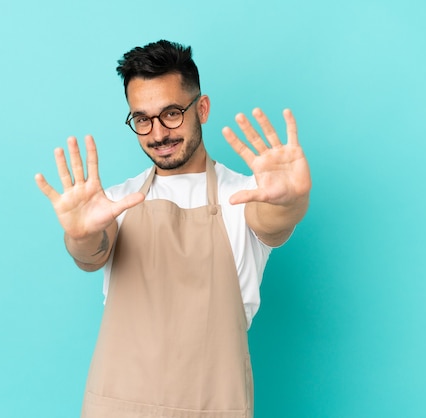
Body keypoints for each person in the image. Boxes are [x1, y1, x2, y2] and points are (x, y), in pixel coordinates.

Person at [35, 39, 311, 418]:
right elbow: (91, 253)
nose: (158, 133)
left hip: (212, 407)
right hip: (117, 406)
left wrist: (291, 200)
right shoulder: (117, 201)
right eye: (142, 119)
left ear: (202, 108)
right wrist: (80, 234)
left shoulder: (244, 195)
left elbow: (275, 222)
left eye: (172, 113)